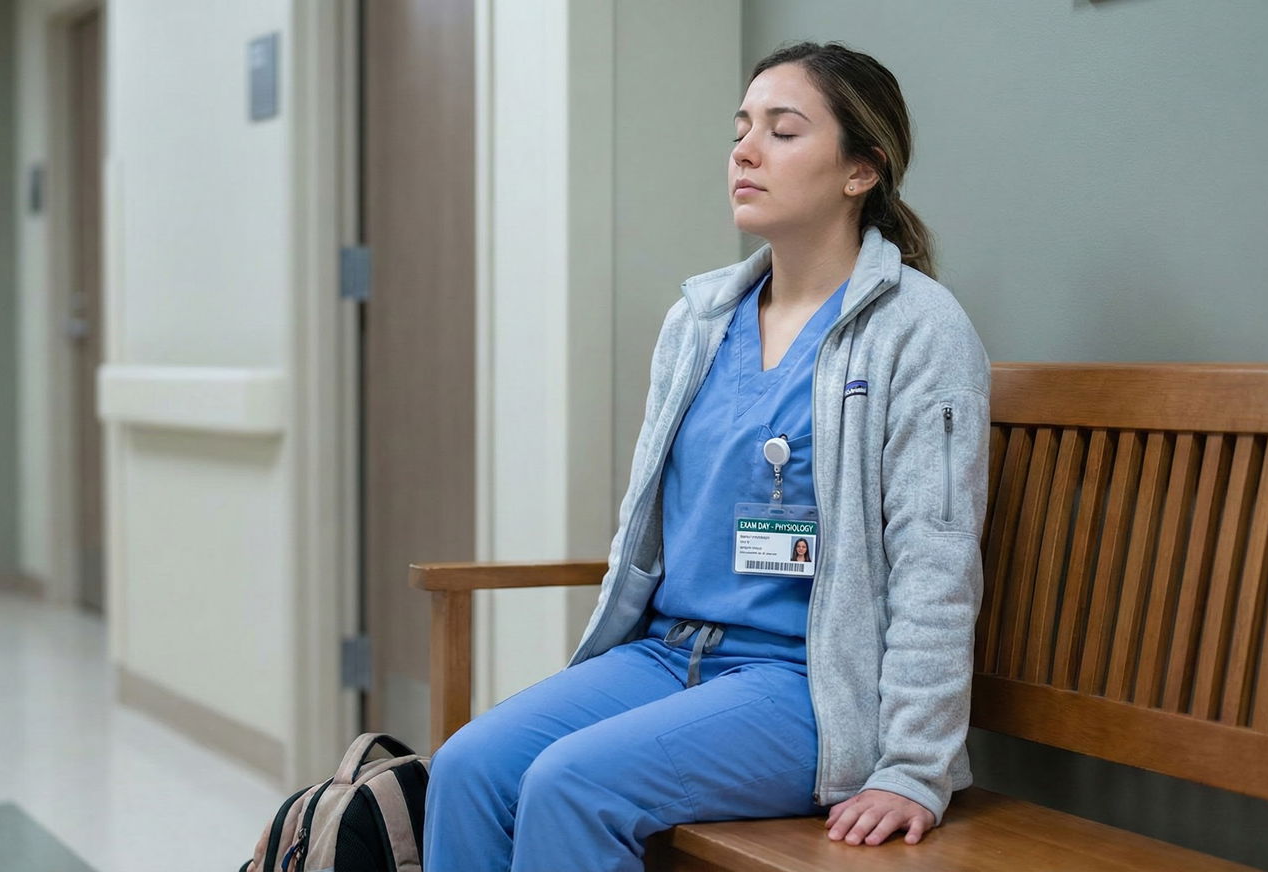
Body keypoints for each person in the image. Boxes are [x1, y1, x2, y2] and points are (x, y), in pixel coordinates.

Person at [423, 40, 990, 872]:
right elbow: (646, 523)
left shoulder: (919, 329)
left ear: (861, 171)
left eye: (783, 132)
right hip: (666, 653)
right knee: (467, 769)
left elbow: (936, 565)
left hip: (802, 686)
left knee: (570, 785)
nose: (746, 152)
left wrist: (914, 767)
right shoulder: (698, 321)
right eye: (741, 129)